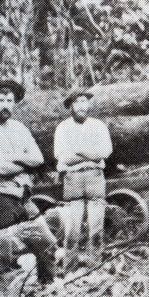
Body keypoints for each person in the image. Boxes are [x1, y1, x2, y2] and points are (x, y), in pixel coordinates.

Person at [0, 79, 57, 285]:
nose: (5, 105)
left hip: (23, 199)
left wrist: (13, 157)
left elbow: (38, 158)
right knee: (1, 256)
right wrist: (25, 161)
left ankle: (46, 292)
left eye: (9, 100)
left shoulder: (19, 129)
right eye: (0, 100)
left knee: (47, 245)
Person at [53, 89, 112, 268]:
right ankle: (70, 269)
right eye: (77, 102)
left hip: (95, 178)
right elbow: (62, 157)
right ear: (70, 106)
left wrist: (79, 151)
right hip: (73, 180)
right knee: (72, 231)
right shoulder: (62, 128)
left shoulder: (99, 126)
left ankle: (95, 268)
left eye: (84, 101)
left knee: (96, 230)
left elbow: (106, 152)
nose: (81, 105)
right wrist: (92, 154)